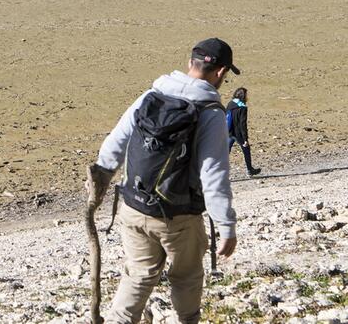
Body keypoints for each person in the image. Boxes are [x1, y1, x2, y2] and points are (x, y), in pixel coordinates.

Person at [86, 38, 239, 324]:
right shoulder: (210, 113)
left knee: (138, 275)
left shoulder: (151, 96)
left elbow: (116, 141)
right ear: (221, 72)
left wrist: (100, 181)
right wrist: (226, 224)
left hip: (132, 206)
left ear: (189, 63)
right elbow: (213, 173)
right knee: (186, 277)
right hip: (178, 217)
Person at [227, 87, 261, 176]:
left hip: (228, 132)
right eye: (246, 94)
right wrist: (245, 138)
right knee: (246, 149)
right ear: (243, 95)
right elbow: (243, 124)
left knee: (225, 152)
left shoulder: (230, 104)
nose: (247, 96)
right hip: (238, 134)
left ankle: (218, 172)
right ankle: (250, 170)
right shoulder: (243, 107)